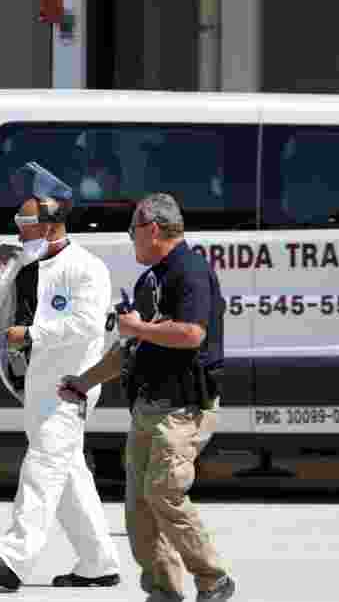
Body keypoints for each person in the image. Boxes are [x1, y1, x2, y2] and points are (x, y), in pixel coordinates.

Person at [59, 193, 235, 602]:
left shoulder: (190, 273)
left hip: (182, 407)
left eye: (131, 231)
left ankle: (213, 579)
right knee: (139, 510)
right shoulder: (150, 280)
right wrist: (84, 382)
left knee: (164, 492)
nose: (130, 239)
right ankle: (163, 592)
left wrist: (139, 329)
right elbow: (131, 350)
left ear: (152, 229)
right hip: (148, 405)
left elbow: (192, 333)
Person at [0, 162, 122, 591]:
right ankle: (99, 562)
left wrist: (33, 334)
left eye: (26, 223)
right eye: (17, 222)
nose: (18, 231)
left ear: (52, 225)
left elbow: (89, 325)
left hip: (70, 386)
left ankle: (13, 557)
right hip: (34, 384)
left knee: (42, 468)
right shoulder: (23, 265)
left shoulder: (86, 268)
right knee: (68, 472)